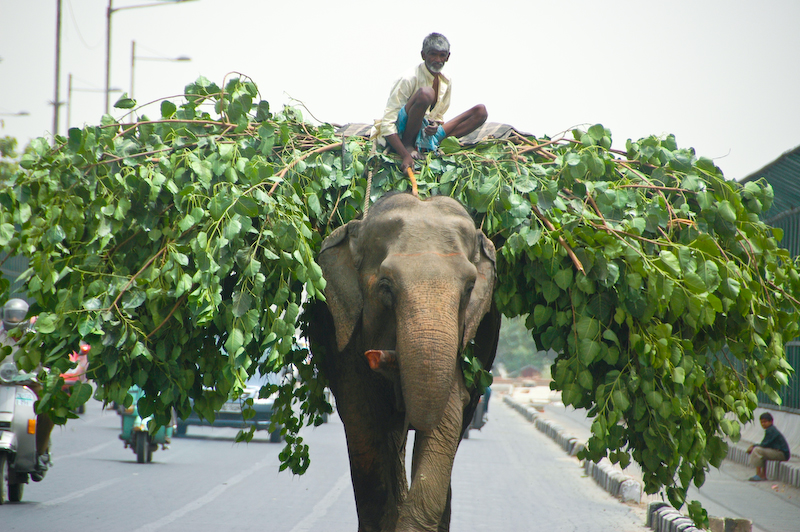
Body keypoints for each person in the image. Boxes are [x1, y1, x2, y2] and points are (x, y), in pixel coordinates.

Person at [373, 32, 488, 172]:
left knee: (480, 112)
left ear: (448, 57)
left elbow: (438, 116)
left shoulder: (446, 80)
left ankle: (433, 145)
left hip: (427, 133)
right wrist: (404, 154)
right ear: (423, 55)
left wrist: (434, 125)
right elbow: (387, 124)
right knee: (426, 94)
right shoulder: (409, 78)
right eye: (433, 54)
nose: (438, 60)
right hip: (403, 131)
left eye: (442, 55)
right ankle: (409, 145)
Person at [0, 298, 54, 481]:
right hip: (3, 384)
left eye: (18, 316)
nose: (14, 319)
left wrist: (44, 373)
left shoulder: (35, 339)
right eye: (11, 316)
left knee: (47, 410)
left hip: (30, 384)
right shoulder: (0, 337)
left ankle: (40, 452)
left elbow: (46, 362)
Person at [746, 412, 791, 481]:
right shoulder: (769, 430)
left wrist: (753, 446)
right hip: (779, 452)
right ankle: (763, 475)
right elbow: (766, 445)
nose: (763, 424)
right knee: (761, 452)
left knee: (757, 450)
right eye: (762, 422)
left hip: (782, 454)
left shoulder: (771, 430)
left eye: (765, 422)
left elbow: (764, 444)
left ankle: (758, 474)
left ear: (771, 421)